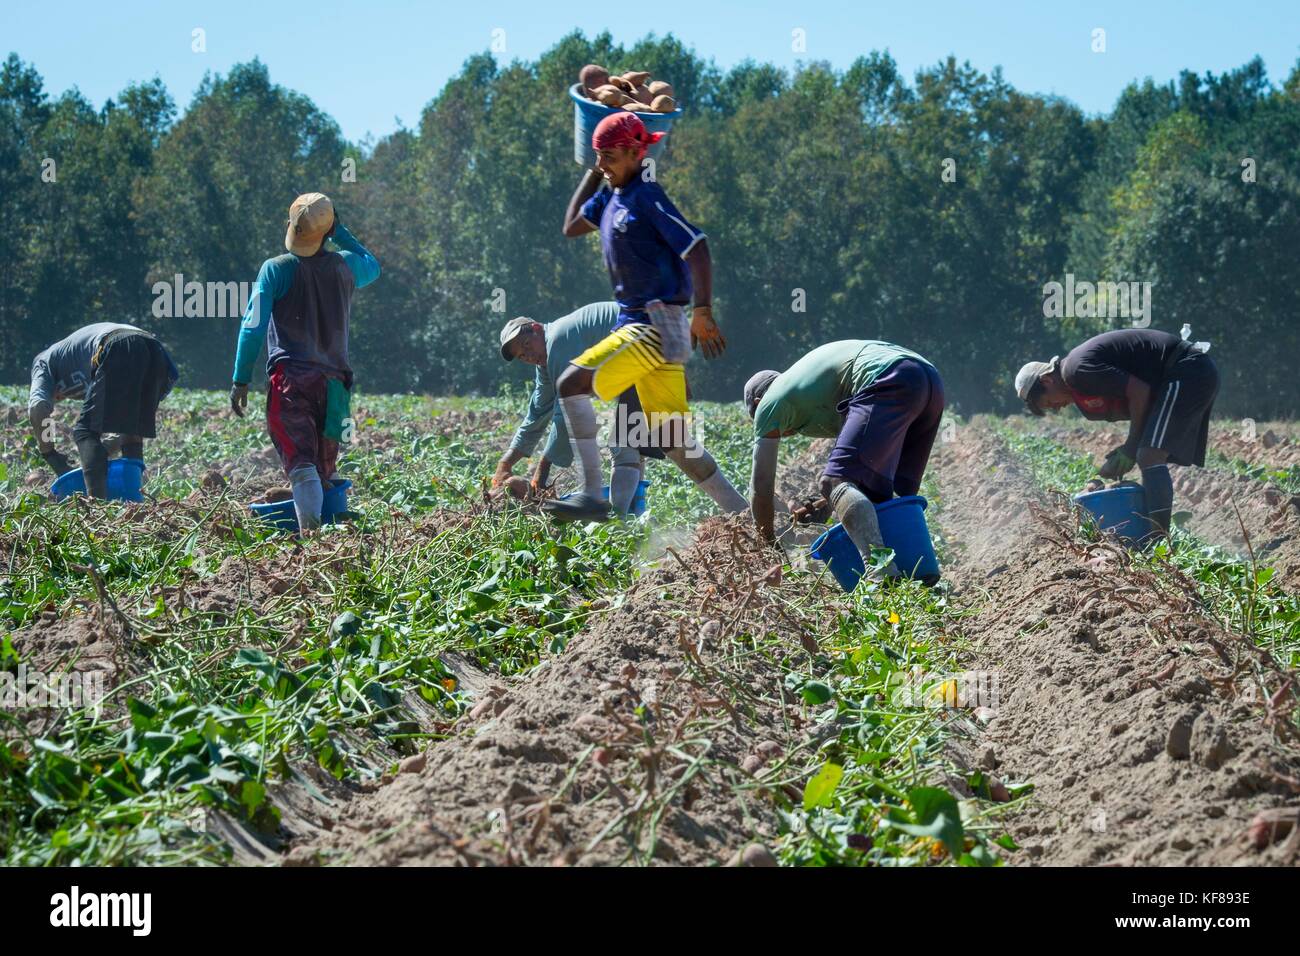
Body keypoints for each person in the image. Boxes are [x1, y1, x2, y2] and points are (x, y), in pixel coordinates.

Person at [544, 111, 745, 522]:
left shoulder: (647, 194)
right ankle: (746, 515)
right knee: (674, 441)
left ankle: (592, 496)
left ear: (638, 152)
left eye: (611, 156)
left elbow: (697, 246)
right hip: (638, 324)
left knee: (570, 382)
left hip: (654, 323)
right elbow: (569, 226)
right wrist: (593, 169)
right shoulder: (611, 196)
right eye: (599, 156)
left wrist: (703, 310)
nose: (604, 164)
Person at [230, 192, 380, 531]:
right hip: (336, 383)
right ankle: (327, 530)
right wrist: (340, 231)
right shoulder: (346, 266)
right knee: (324, 465)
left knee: (300, 463)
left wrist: (241, 379)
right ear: (327, 233)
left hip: (292, 380)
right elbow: (372, 263)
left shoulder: (277, 269)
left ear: (290, 227)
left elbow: (252, 327)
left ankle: (311, 538)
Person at [745, 341, 945, 576]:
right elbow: (863, 468)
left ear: (758, 404)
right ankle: (919, 569)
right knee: (888, 495)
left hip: (887, 376)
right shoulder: (808, 388)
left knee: (832, 482)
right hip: (927, 381)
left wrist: (768, 543)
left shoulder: (769, 404)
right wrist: (829, 503)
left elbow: (761, 488)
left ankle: (880, 573)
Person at [1015, 328, 1219, 540]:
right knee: (1148, 454)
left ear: (1047, 380)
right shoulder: (1078, 380)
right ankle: (1154, 537)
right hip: (1185, 372)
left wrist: (1131, 448)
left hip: (1186, 370)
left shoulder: (1075, 372)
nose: (1058, 408)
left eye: (1050, 402)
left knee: (1149, 455)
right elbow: (1141, 405)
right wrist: (1126, 452)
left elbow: (1140, 392)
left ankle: (1159, 542)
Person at [494, 302, 663, 514]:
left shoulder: (557, 341)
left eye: (527, 344)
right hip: (643, 351)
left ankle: (619, 522)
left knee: (624, 444)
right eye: (522, 356)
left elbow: (565, 414)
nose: (529, 355)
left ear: (537, 329)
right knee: (630, 443)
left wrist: (542, 471)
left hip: (648, 345)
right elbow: (536, 414)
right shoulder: (546, 362)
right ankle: (630, 514)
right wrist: (506, 463)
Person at [28, 323, 178, 498]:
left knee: (84, 433)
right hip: (155, 351)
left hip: (116, 344)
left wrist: (50, 453)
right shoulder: (76, 363)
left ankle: (96, 505)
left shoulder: (42, 363)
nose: (59, 399)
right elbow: (121, 428)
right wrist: (97, 455)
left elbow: (39, 408)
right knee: (131, 430)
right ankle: (134, 497)